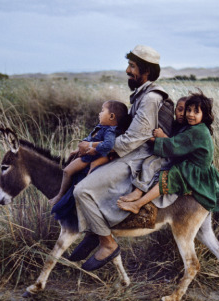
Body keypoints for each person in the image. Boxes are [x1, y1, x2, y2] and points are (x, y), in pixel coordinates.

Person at [71, 45, 175, 271]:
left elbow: (132, 140)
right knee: (90, 177)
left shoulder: (150, 99)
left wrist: (94, 147)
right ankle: (96, 231)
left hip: (141, 157)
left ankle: (107, 244)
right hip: (135, 152)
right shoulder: (142, 95)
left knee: (82, 190)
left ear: (146, 71)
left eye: (132, 66)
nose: (127, 70)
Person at [117, 90, 219, 217]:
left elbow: (174, 145)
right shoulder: (198, 128)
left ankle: (138, 204)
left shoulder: (197, 132)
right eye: (189, 110)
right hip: (195, 165)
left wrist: (151, 138)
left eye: (196, 112)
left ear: (205, 115)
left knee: (168, 178)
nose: (190, 114)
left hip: (195, 170)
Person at [48, 100, 130, 208]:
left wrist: (94, 149)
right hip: (89, 154)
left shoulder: (110, 131)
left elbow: (108, 145)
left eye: (102, 111)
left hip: (93, 156)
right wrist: (78, 150)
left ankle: (61, 194)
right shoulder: (102, 127)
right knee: (69, 165)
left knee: (68, 171)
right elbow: (89, 139)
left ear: (111, 116)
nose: (99, 113)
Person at [118, 95, 188, 202]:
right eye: (180, 110)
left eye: (186, 110)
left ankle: (139, 190)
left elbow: (176, 145)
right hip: (166, 152)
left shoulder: (186, 129)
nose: (182, 113)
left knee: (149, 164)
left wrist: (163, 136)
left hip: (174, 158)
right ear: (175, 111)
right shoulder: (174, 124)